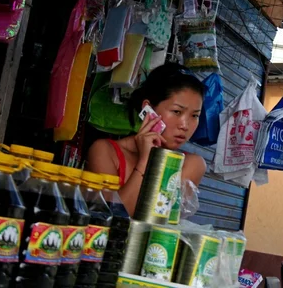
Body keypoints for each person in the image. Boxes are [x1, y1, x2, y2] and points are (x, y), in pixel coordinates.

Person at [87, 63, 207, 215]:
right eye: (177, 111)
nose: (185, 125)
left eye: (194, 116)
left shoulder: (191, 165)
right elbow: (114, 218)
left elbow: (161, 222)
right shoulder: (104, 151)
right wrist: (145, 160)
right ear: (149, 110)